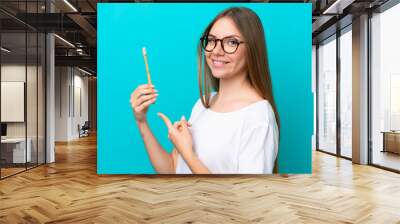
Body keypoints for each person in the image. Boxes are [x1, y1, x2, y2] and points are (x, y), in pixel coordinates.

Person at [130, 7, 279, 174]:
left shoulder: (258, 116)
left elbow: (247, 197)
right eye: (212, 40)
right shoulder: (203, 103)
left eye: (231, 42)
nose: (216, 50)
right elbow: (172, 170)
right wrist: (141, 121)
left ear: (252, 48)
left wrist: (187, 153)